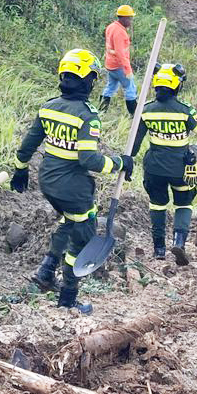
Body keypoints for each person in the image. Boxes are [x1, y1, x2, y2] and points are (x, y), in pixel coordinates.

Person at [10, 49, 133, 315]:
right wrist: (119, 163)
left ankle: (45, 271)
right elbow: (89, 160)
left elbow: (27, 145)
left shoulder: (49, 107)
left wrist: (20, 169)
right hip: (73, 188)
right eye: (93, 78)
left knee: (69, 222)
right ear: (87, 79)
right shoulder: (87, 115)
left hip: (48, 181)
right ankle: (68, 297)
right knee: (82, 237)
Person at [130, 63, 197, 263]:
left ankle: (159, 249)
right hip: (181, 169)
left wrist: (126, 163)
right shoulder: (185, 111)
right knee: (184, 203)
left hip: (154, 169)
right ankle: (179, 243)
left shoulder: (146, 110)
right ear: (177, 86)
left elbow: (134, 146)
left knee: (157, 205)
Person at [100, 4, 138, 115]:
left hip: (110, 65)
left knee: (110, 87)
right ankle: (134, 114)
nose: (131, 21)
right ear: (124, 18)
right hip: (119, 66)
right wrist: (128, 70)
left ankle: (101, 111)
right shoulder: (120, 32)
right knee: (130, 88)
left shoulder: (111, 27)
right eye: (129, 18)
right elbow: (120, 53)